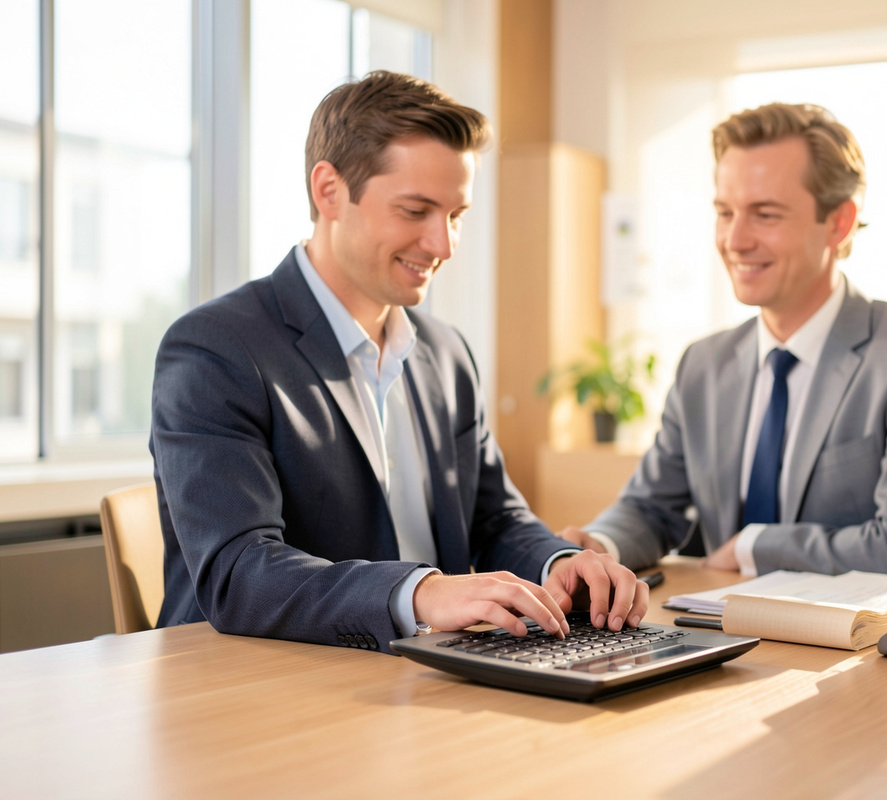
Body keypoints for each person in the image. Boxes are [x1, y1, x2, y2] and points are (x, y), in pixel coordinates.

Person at [150, 71, 647, 653]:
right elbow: (239, 574)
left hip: (423, 678)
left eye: (456, 215)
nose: (443, 244)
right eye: (416, 211)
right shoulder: (216, 347)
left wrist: (560, 563)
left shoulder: (445, 353)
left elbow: (493, 521)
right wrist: (421, 593)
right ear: (329, 190)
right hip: (259, 685)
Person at [561, 103, 887, 577]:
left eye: (765, 214)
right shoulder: (704, 364)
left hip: (845, 645)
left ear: (838, 223)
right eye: (724, 212)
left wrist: (754, 547)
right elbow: (651, 507)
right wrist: (599, 543)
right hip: (712, 633)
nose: (734, 240)